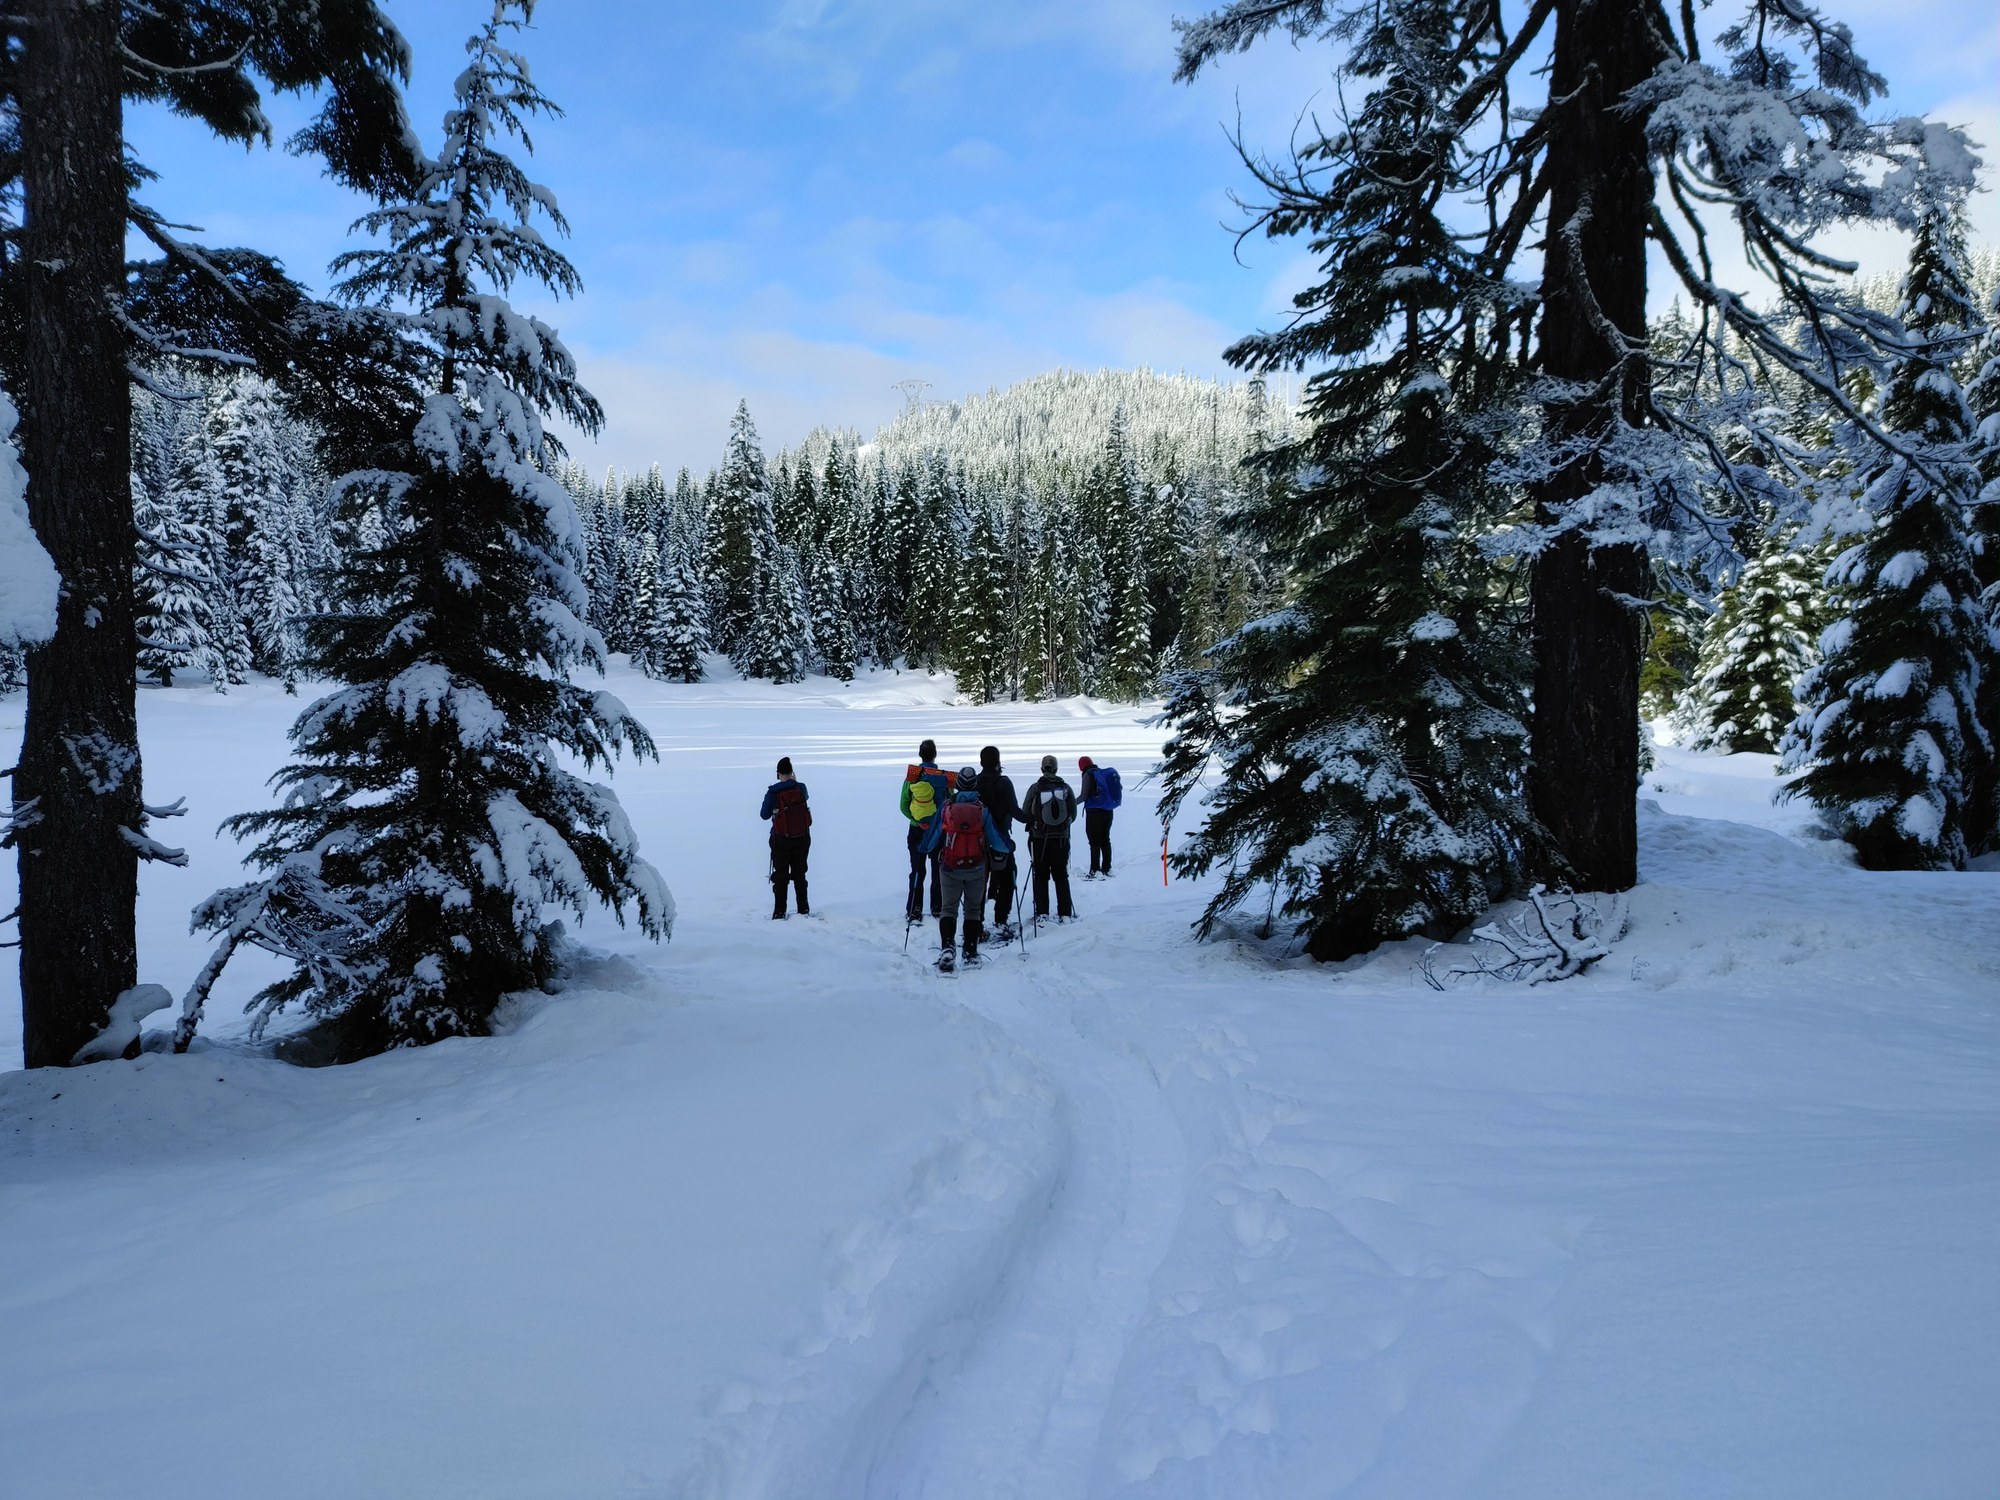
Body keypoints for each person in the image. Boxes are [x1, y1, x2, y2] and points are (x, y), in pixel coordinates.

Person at [919, 766, 1013, 971]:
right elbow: (997, 840)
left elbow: (933, 837)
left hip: (950, 867)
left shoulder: (947, 807)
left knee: (948, 908)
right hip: (976, 867)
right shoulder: (982, 809)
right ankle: (970, 951)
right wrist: (1008, 847)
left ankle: (947, 948)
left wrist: (923, 849)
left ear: (958, 785)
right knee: (972, 909)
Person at [899, 739, 953, 923]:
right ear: (935, 754)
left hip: (916, 830)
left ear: (920, 754)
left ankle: (914, 910)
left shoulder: (913, 776)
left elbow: (903, 805)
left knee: (917, 870)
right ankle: (937, 908)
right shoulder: (944, 777)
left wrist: (917, 820)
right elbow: (950, 802)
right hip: (938, 831)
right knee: (938, 869)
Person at [974, 745, 1023, 941]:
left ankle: (976, 924)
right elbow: (1014, 809)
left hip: (977, 840)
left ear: (981, 762)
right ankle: (1001, 920)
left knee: (979, 883)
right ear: (998, 762)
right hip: (1000, 839)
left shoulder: (975, 782)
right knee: (1008, 878)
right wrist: (1032, 819)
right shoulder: (1003, 782)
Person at [1022, 754, 1077, 923]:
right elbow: (1073, 813)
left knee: (1040, 876)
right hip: (1061, 839)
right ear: (1056, 769)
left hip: (1039, 839)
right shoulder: (1065, 788)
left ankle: (1042, 913)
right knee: (1061, 876)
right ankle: (1065, 913)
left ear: (1042, 769)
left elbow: (1025, 812)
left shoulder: (1035, 788)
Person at [759, 756, 812, 919]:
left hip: (781, 840)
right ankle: (803, 910)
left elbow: (764, 815)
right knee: (800, 874)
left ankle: (779, 912)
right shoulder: (801, 788)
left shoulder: (773, 792)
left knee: (781, 876)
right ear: (792, 772)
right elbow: (806, 797)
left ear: (778, 774)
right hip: (802, 838)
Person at [1079, 755, 1121, 878]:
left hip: (1094, 812)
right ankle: (1107, 868)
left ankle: (1095, 870)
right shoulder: (1101, 774)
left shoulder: (1088, 775)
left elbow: (1083, 796)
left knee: (1094, 841)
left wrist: (1069, 803)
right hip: (1108, 811)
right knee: (1105, 839)